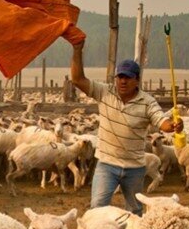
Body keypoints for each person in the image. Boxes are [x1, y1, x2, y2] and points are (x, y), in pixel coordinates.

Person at [69, 39, 182, 215]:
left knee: (135, 211)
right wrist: (77, 50)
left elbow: (162, 122)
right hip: (107, 163)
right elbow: (77, 79)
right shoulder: (105, 92)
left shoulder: (147, 102)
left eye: (127, 77)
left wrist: (173, 126)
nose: (123, 81)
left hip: (135, 167)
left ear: (137, 80)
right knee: (97, 208)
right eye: (120, 77)